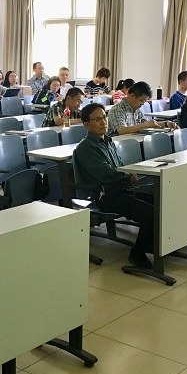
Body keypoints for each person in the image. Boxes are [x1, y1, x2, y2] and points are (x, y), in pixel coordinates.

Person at [74, 103, 155, 269]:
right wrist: (127, 174)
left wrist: (128, 173)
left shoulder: (108, 141)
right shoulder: (85, 147)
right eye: (97, 119)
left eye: (104, 117)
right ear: (87, 125)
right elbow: (105, 173)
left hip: (123, 188)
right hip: (107, 196)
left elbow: (119, 165)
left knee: (159, 201)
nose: (103, 122)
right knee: (150, 214)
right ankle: (137, 253)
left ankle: (159, 245)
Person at [107, 81, 178, 136]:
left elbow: (149, 123)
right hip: (119, 146)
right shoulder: (117, 109)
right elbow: (121, 131)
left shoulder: (136, 109)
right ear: (132, 96)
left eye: (145, 101)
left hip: (133, 141)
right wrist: (145, 125)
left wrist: (166, 124)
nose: (143, 104)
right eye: (141, 100)